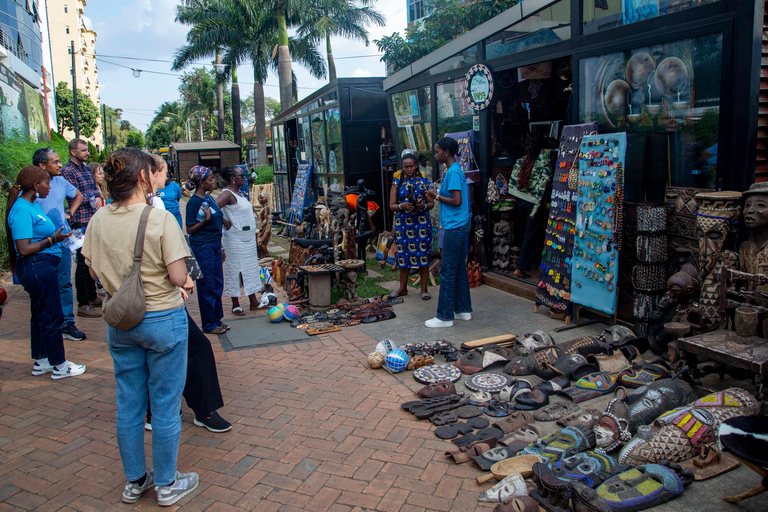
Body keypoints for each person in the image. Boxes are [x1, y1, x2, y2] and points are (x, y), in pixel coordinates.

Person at [82, 148, 199, 506]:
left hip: (120, 321)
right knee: (164, 406)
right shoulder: (158, 219)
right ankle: (166, 483)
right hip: (162, 318)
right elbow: (179, 275)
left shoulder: (98, 219)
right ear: (143, 178)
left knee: (129, 405)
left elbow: (91, 270)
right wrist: (186, 284)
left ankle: (135, 481)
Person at [144, 156, 231, 434]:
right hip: (159, 301)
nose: (169, 179)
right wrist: (186, 277)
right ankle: (192, 410)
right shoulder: (154, 211)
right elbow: (180, 245)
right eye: (165, 172)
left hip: (138, 305)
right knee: (192, 351)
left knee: (153, 359)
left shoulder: (111, 214)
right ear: (149, 175)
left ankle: (160, 411)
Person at [5, 165, 86, 379]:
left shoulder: (32, 205)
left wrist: (58, 237)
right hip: (37, 267)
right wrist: (52, 239)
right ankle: (60, 365)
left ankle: (41, 361)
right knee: (51, 317)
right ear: (35, 185)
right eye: (46, 183)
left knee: (40, 316)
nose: (49, 188)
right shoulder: (22, 209)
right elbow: (23, 248)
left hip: (42, 266)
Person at [33, 148, 87, 341]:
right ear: (42, 165)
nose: (59, 165)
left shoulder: (61, 181)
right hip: (39, 244)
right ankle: (47, 323)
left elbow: (78, 195)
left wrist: (69, 213)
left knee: (64, 282)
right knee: (44, 285)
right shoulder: (33, 186)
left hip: (62, 241)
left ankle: (67, 323)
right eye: (55, 162)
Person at [424, 137, 472, 328]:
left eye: (437, 151)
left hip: (455, 226)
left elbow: (457, 201)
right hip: (460, 224)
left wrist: (435, 196)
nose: (435, 155)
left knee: (448, 271)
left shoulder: (452, 172)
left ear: (446, 152)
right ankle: (463, 310)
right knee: (459, 268)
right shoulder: (453, 170)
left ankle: (444, 316)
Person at [61, 138, 102, 318]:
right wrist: (92, 195)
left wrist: (93, 195)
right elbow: (75, 196)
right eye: (83, 150)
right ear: (73, 152)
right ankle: (83, 303)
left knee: (92, 259)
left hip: (92, 218)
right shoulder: (67, 172)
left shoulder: (86, 169)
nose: (87, 152)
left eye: (87, 149)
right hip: (79, 221)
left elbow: (95, 191)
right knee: (83, 261)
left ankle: (92, 296)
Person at [185, 166, 228, 334]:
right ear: (201, 183)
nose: (213, 182)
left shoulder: (209, 199)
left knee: (217, 282)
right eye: (210, 180)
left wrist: (221, 246)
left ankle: (216, 318)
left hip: (215, 245)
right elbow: (190, 229)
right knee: (207, 284)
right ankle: (208, 324)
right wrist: (205, 220)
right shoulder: (193, 203)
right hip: (202, 247)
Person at [216, 166, 262, 315]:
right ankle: (235, 303)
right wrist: (224, 220)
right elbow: (212, 208)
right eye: (241, 175)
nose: (244, 177)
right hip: (234, 240)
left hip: (247, 240)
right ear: (232, 179)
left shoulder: (238, 193)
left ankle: (253, 301)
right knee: (235, 269)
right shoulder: (227, 194)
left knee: (249, 269)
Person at [389, 150, 434, 299]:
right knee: (403, 255)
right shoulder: (397, 182)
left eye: (412, 166)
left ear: (416, 166)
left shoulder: (425, 181)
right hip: (403, 225)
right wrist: (402, 206)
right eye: (406, 167)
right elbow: (392, 205)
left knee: (423, 255)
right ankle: (402, 288)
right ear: (402, 167)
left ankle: (424, 289)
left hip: (421, 223)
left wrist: (423, 207)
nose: (409, 170)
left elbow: (431, 203)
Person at [508, 135, 553, 279]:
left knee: (526, 232)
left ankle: (529, 262)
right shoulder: (543, 165)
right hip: (534, 203)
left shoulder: (520, 161)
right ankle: (521, 268)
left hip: (520, 201)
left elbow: (512, 183)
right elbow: (542, 190)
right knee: (531, 234)